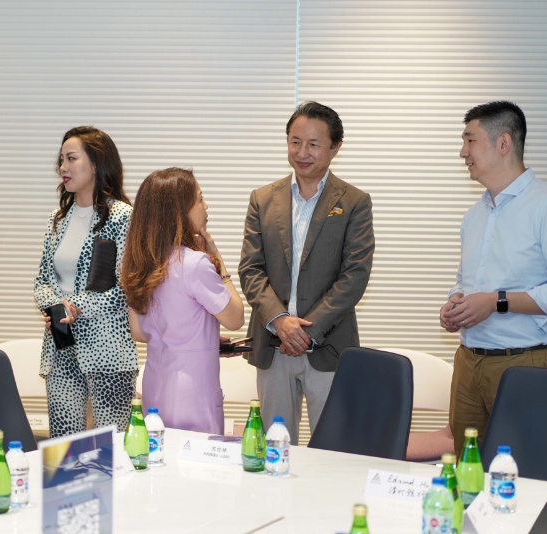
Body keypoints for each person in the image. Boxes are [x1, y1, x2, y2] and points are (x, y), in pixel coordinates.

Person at [440, 101, 547, 455]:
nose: (462, 152)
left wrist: (496, 302)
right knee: (467, 469)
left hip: (526, 363)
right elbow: (465, 280)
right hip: (468, 363)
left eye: (470, 140)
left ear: (503, 143)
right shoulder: (475, 214)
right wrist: (456, 302)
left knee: (524, 470)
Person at [238, 101, 375, 444]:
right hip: (274, 344)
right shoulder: (262, 199)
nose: (302, 153)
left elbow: (355, 275)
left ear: (335, 146)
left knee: (332, 449)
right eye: (295, 142)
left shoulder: (355, 202)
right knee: (275, 447)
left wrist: (307, 331)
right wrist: (281, 321)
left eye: (314, 144)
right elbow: (251, 269)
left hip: (329, 345)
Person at [121, 168, 245, 434]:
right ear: (179, 210)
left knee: (158, 453)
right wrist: (220, 264)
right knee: (197, 458)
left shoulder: (141, 263)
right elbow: (235, 318)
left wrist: (201, 338)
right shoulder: (194, 263)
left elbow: (139, 332)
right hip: (193, 392)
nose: (206, 206)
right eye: (200, 199)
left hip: (155, 385)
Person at [34, 126, 137, 438]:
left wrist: (75, 305)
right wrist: (55, 307)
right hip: (61, 343)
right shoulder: (57, 218)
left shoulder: (122, 216)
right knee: (63, 444)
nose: (63, 167)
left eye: (71, 159)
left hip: (108, 348)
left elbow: (125, 289)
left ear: (96, 163)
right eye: (61, 160)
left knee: (110, 446)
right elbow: (42, 280)